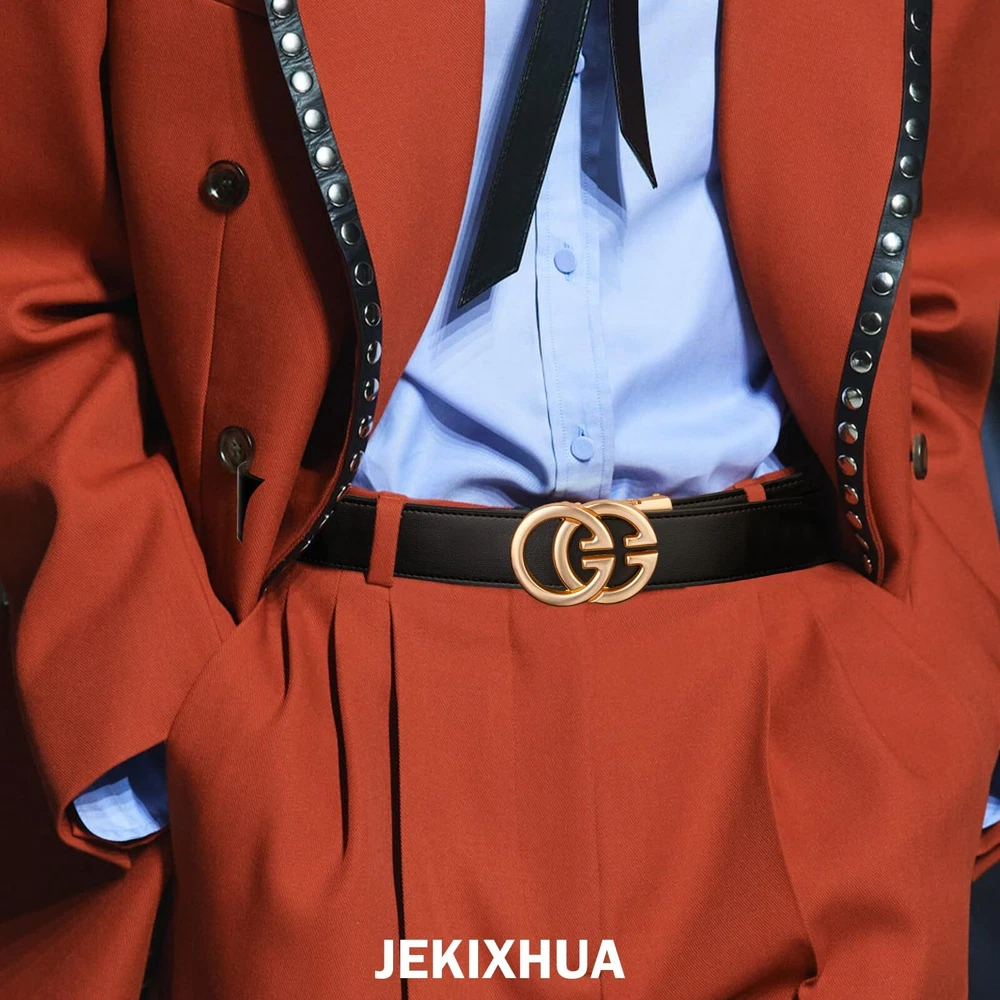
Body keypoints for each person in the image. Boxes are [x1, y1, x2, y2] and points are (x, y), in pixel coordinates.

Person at [1, 0, 999, 996]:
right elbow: (33, 276)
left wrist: (939, 684)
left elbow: (944, 282)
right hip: (341, 716)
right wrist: (170, 726)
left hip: (806, 713)